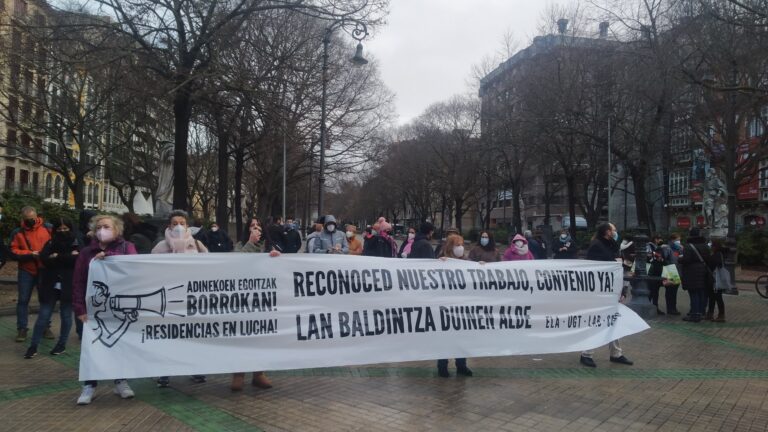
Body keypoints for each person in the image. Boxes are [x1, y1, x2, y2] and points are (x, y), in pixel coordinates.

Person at [72, 215, 138, 405]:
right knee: (92, 347)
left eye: (107, 226)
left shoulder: (127, 248)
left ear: (117, 230)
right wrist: (80, 308)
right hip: (92, 309)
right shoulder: (86, 253)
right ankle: (90, 385)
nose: (102, 230)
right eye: (99, 227)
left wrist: (110, 258)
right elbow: (78, 282)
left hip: (118, 307)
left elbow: (134, 270)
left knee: (119, 346)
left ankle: (120, 381)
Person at [152, 210, 208, 387]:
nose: (178, 226)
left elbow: (211, 268)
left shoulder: (198, 246)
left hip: (192, 300)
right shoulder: (160, 248)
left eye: (182, 223)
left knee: (193, 336)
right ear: (168, 226)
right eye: (174, 223)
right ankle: (165, 372)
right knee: (169, 337)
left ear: (187, 225)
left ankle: (195, 368)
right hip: (168, 300)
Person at [24, 218, 80, 359]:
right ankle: (33, 346)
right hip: (50, 284)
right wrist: (66, 258)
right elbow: (44, 258)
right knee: (43, 316)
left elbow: (78, 260)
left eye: (65, 228)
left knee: (66, 315)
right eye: (59, 229)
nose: (62, 231)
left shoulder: (77, 242)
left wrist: (57, 256)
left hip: (68, 284)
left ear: (70, 228)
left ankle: (61, 344)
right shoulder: (50, 242)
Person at [580, 223, 633, 368]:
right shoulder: (596, 245)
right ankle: (586, 353)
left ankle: (616, 353)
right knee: (596, 321)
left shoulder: (613, 245)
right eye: (613, 230)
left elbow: (618, 267)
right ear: (607, 231)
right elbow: (592, 268)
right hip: (599, 290)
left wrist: (623, 290)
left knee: (613, 320)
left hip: (612, 289)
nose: (615, 232)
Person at [231, 222, 277, 391]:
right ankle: (238, 374)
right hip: (243, 300)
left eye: (258, 226)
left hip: (262, 299)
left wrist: (276, 258)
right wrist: (250, 243)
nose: (255, 229)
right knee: (241, 338)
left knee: (260, 338)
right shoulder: (240, 245)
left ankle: (259, 374)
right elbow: (236, 262)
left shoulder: (269, 247)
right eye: (252, 226)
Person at [11, 206, 52, 343]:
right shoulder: (18, 232)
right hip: (26, 270)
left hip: (44, 269)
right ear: (23, 219)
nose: (30, 221)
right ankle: (22, 329)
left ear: (37, 216)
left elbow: (55, 245)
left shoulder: (48, 228)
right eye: (27, 220)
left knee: (45, 300)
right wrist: (29, 254)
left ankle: (45, 326)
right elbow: (13, 251)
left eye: (32, 219)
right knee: (23, 300)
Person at [436, 234, 473, 378]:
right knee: (445, 336)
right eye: (457, 244)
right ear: (451, 246)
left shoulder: (466, 261)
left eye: (462, 244)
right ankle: (442, 365)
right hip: (445, 306)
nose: (461, 247)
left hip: (462, 305)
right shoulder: (441, 260)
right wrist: (440, 264)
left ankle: (461, 364)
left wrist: (481, 267)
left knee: (461, 337)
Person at [679, 227, 714, 323]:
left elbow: (686, 260)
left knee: (693, 293)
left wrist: (680, 259)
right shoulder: (705, 246)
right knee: (701, 292)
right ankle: (701, 312)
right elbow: (708, 258)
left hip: (692, 273)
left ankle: (695, 314)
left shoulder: (688, 246)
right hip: (703, 271)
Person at [707, 241, 727, 322]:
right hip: (714, 278)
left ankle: (721, 315)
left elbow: (716, 264)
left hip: (716, 279)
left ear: (715, 247)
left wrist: (710, 260)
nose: (711, 247)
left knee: (718, 297)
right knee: (712, 297)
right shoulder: (718, 254)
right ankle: (710, 314)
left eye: (712, 246)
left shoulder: (717, 254)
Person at [647, 234, 666, 315]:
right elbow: (650, 256)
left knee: (654, 291)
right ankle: (653, 307)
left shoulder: (654, 247)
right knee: (653, 290)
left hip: (654, 271)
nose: (660, 241)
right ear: (655, 239)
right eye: (659, 239)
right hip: (654, 271)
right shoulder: (651, 246)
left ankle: (653, 307)